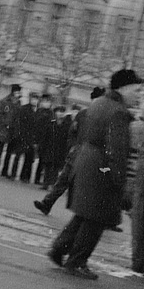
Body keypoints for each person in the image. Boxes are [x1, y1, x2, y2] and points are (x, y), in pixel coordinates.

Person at [48, 70, 143, 279]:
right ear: (124, 88)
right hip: (102, 168)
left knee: (84, 214)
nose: (138, 95)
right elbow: (116, 150)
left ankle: (59, 248)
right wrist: (118, 179)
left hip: (86, 162)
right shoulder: (119, 112)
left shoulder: (98, 103)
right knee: (97, 218)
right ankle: (77, 261)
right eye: (136, 90)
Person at [34, 88, 104, 216]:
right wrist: (73, 146)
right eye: (95, 100)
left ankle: (88, 215)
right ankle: (47, 204)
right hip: (76, 153)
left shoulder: (104, 118)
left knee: (85, 186)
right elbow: (72, 132)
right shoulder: (82, 114)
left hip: (91, 157)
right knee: (62, 180)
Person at [0, 84, 22, 176]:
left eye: (19, 92)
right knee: (0, 151)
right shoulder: (4, 101)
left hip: (13, 131)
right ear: (13, 92)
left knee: (9, 152)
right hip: (4, 129)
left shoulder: (18, 103)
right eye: (16, 92)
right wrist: (5, 124)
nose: (18, 94)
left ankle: (4, 171)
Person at [11, 91, 40, 182]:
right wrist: (18, 135)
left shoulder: (38, 111)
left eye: (36, 99)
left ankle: (25, 177)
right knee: (18, 156)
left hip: (32, 138)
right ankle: (13, 174)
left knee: (29, 159)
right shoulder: (23, 109)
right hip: (22, 137)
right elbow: (19, 123)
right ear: (30, 99)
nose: (34, 101)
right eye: (33, 99)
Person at [32, 93, 55, 185]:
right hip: (36, 136)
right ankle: (30, 176)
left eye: (48, 101)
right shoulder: (38, 111)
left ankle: (38, 178)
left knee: (43, 159)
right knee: (32, 157)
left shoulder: (51, 113)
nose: (46, 103)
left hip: (46, 139)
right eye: (45, 101)